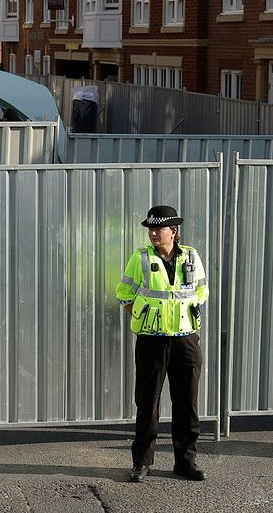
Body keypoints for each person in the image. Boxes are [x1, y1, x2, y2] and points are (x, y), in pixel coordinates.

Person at [115, 205, 209, 483]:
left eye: (159, 228)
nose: (154, 233)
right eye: (151, 229)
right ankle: (142, 463)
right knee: (147, 403)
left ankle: (185, 463)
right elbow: (124, 292)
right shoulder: (140, 258)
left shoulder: (191, 256)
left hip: (185, 340)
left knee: (187, 404)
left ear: (174, 231)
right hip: (151, 341)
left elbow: (202, 289)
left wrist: (188, 310)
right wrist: (140, 313)